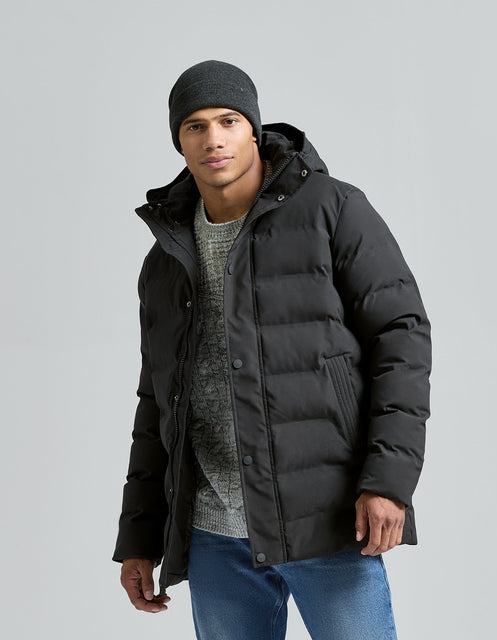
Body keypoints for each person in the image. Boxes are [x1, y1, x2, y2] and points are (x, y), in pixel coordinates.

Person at [113, 60, 431, 639]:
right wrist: (139, 536)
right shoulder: (164, 261)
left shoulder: (332, 209)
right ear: (179, 141)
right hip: (213, 536)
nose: (213, 139)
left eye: (228, 121)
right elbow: (155, 403)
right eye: (195, 126)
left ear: (254, 130)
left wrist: (388, 481)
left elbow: (401, 338)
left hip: (325, 520)